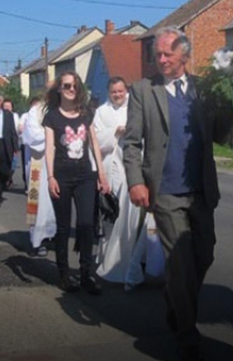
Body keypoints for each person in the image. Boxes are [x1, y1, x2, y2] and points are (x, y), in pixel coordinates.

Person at [122, 27, 223, 361]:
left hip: (200, 189)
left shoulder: (202, 90)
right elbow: (132, 142)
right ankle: (186, 334)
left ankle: (175, 303)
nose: (161, 60)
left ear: (185, 55)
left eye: (167, 54)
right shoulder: (143, 91)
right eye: (157, 54)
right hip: (164, 191)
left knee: (203, 256)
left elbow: (216, 131)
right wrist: (136, 181)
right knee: (179, 265)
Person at [43, 71, 110, 295]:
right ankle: (63, 274)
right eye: (66, 86)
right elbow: (50, 148)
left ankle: (86, 273)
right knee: (63, 227)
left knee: (85, 225)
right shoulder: (52, 117)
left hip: (85, 176)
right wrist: (50, 177)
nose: (71, 89)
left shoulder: (86, 114)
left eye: (74, 86)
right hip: (61, 176)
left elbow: (94, 145)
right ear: (59, 90)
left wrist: (101, 174)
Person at [94, 77, 148, 290]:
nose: (117, 95)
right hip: (111, 168)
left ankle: (134, 258)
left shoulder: (134, 108)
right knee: (111, 214)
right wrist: (115, 132)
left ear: (126, 90)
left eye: (120, 91)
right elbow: (95, 140)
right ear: (109, 93)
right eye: (114, 92)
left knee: (131, 218)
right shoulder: (101, 112)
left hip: (132, 169)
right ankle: (108, 256)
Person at [23, 97, 56, 257]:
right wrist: (52, 132)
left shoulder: (63, 110)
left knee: (55, 201)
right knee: (40, 202)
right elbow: (33, 137)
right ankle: (37, 240)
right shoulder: (34, 112)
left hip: (58, 163)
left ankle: (52, 235)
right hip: (40, 163)